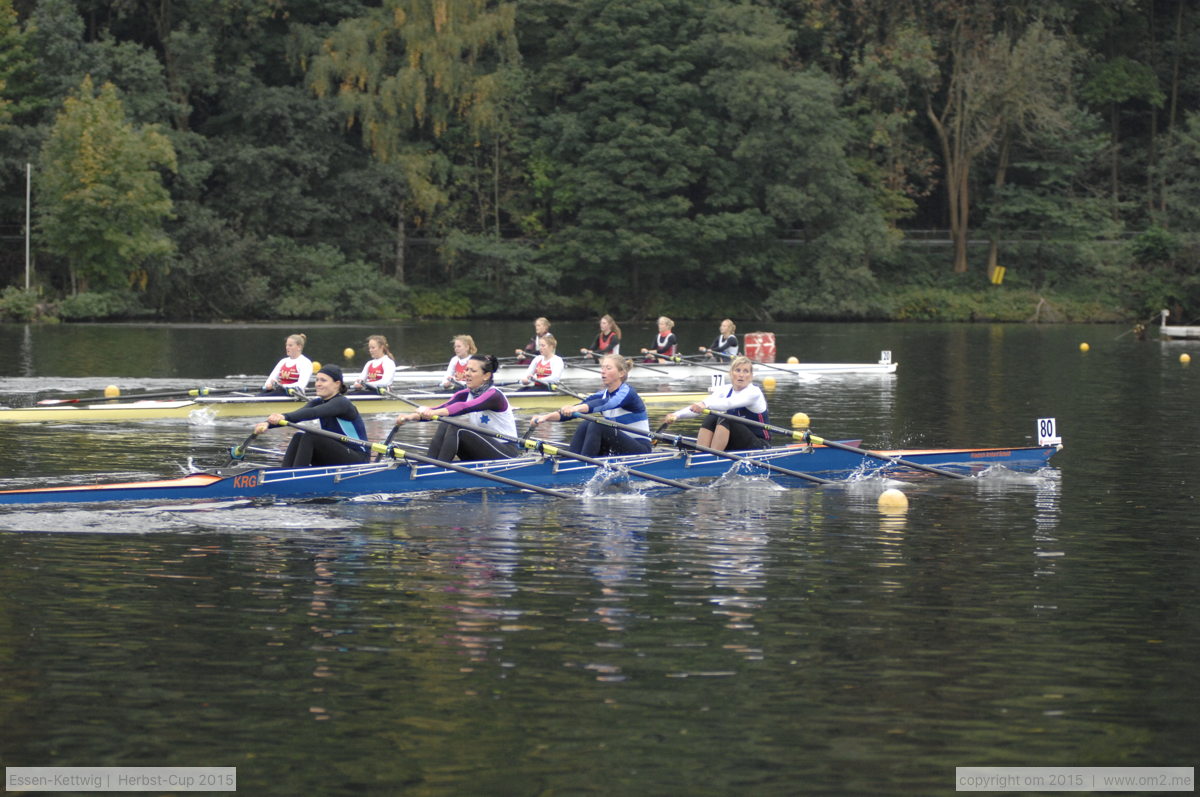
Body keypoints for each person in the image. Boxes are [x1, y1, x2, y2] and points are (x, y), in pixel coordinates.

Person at [395, 354, 518, 461]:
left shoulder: (493, 395)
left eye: (473, 371)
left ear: (486, 376)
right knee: (445, 423)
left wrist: (433, 412)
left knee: (456, 428)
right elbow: (440, 408)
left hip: (506, 452)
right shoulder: (464, 394)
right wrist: (410, 417)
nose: (467, 374)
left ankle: (438, 470)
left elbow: (464, 407)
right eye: (466, 369)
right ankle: (429, 463)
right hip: (485, 449)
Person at [532, 354, 652, 457]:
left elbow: (606, 404)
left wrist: (575, 408)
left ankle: (583, 466)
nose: (603, 371)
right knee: (586, 423)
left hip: (640, 448)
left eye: (608, 368)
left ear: (621, 373)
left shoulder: (627, 392)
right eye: (602, 367)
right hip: (617, 445)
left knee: (597, 425)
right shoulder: (602, 394)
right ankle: (572, 461)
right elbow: (573, 412)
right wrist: (544, 418)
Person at [255, 364, 370, 468]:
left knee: (310, 436)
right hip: (337, 455)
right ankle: (285, 472)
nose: (318, 384)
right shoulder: (318, 401)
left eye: (323, 380)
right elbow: (298, 416)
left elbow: (313, 413)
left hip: (358, 459)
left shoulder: (342, 403)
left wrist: (283, 416)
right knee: (298, 436)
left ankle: (297, 477)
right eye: (317, 380)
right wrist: (267, 423)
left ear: (337, 384)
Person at [662, 356, 769, 451]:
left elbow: (729, 403)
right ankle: (700, 454)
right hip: (736, 441)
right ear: (731, 373)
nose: (741, 375)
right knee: (712, 416)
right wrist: (677, 415)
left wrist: (705, 405)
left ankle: (711, 457)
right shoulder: (725, 390)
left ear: (751, 376)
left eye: (746, 371)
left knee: (726, 418)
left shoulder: (754, 392)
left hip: (759, 445)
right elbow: (703, 404)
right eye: (738, 370)